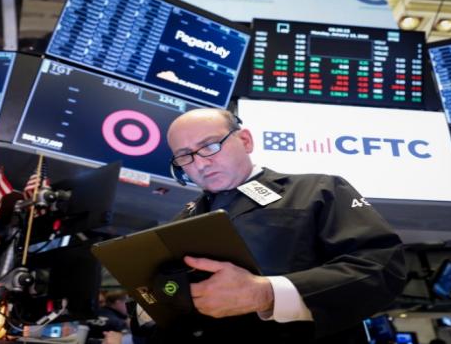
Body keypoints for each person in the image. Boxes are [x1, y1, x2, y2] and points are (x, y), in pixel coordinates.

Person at [142, 108, 406, 343]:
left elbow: (380, 265)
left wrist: (267, 293)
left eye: (210, 146)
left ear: (245, 140)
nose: (199, 163)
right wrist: (150, 308)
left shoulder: (319, 190)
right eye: (185, 156)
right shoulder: (182, 220)